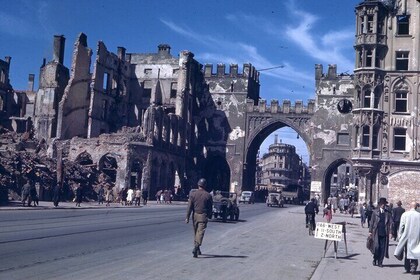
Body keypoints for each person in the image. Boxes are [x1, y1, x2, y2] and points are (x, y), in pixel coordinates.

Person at [185, 178, 213, 258]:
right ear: (205, 185)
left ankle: (197, 249)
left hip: (195, 216)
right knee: (200, 233)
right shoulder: (208, 195)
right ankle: (196, 247)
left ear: (198, 185)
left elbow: (189, 207)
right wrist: (210, 215)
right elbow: (210, 207)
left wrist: (187, 217)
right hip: (203, 216)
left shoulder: (193, 194)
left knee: (196, 233)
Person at [394, 202, 420, 275]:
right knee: (415, 251)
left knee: (407, 252)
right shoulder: (419, 215)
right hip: (416, 236)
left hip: (406, 236)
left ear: (410, 206)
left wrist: (399, 237)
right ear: (416, 207)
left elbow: (401, 226)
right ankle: (413, 267)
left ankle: (407, 267)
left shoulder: (405, 214)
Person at [369, 197, 392, 267]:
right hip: (376, 232)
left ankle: (380, 262)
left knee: (383, 248)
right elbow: (372, 222)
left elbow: (390, 223)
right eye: (382, 204)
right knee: (376, 247)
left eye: (384, 204)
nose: (383, 205)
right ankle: (375, 258)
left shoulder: (388, 213)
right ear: (379, 204)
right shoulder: (375, 212)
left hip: (384, 233)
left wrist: (390, 232)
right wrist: (370, 231)